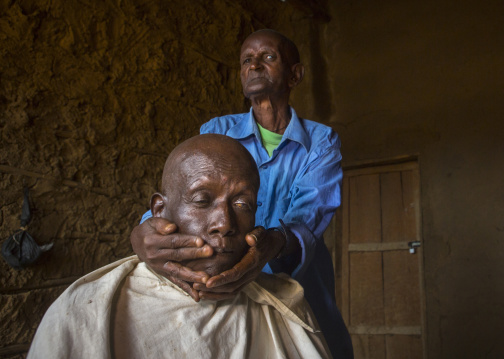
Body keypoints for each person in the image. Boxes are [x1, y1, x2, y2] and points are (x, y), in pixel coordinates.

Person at [131, 29, 353, 358]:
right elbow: (188, 194)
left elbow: (309, 215)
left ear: (295, 74)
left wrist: (271, 244)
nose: (254, 66)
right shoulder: (217, 131)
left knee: (313, 345)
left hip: (296, 284)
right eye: (246, 60)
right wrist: (144, 229)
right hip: (220, 285)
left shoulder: (321, 141)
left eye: (268, 57)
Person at [27, 134, 332, 359]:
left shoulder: (284, 308)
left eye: (243, 203)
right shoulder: (84, 314)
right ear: (158, 210)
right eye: (202, 200)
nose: (224, 223)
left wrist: (277, 240)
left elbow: (311, 215)